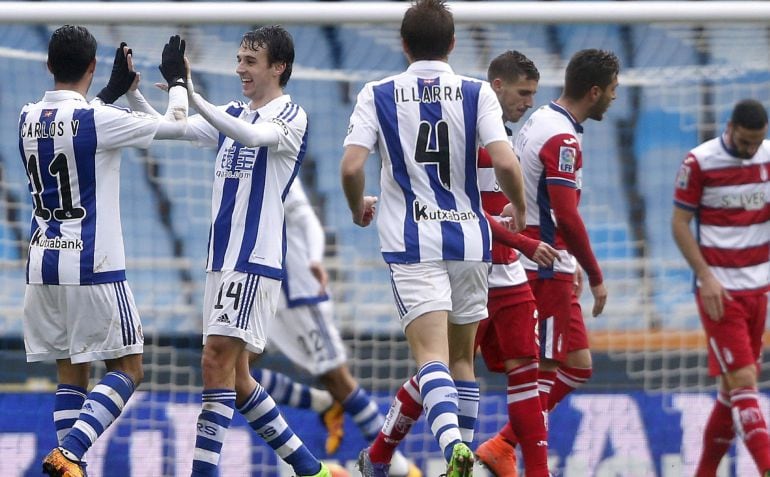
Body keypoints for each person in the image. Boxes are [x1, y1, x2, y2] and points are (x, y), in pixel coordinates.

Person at [127, 26, 330, 477]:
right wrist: (133, 95)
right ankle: (310, 468)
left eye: (250, 61)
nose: (240, 68)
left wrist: (192, 93)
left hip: (254, 259)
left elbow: (251, 137)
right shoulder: (235, 111)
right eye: (238, 59)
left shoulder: (290, 115)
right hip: (221, 260)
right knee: (237, 381)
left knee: (214, 358)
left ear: (278, 67)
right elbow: (171, 129)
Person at [340, 1, 527, 476]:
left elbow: (351, 167)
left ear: (403, 44)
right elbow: (506, 163)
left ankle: (452, 451)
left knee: (430, 357)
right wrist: (520, 207)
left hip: (412, 242)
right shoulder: (476, 91)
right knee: (463, 359)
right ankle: (459, 455)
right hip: (469, 240)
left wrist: (356, 207)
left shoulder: (377, 93)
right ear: (452, 44)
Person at [19, 25, 188, 477]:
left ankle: (71, 468)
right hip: (94, 265)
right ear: (92, 67)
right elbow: (174, 126)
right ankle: (71, 452)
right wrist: (176, 82)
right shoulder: (98, 120)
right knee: (130, 369)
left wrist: (108, 93)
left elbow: (75, 126)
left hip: (43, 266)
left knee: (71, 373)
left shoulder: (26, 115)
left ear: (48, 64)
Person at [250, 177, 421, 477]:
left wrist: (315, 259)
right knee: (230, 368)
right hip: (261, 287)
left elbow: (307, 220)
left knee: (338, 380)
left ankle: (399, 467)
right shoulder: (238, 158)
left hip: (300, 293)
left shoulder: (279, 167)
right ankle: (322, 403)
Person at [509, 47, 616, 439]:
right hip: (545, 259)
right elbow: (566, 215)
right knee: (546, 368)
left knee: (579, 364)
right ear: (594, 91)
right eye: (612, 89)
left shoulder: (543, 117)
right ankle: (527, 458)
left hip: (545, 255)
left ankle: (503, 444)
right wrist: (595, 273)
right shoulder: (563, 139)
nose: (615, 96)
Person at [671, 99, 770, 476]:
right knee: (745, 381)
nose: (749, 150)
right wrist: (706, 276)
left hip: (759, 289)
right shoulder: (699, 162)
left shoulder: (766, 157)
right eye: (745, 142)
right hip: (720, 292)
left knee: (732, 392)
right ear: (729, 127)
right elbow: (679, 224)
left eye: (756, 143)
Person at [472, 50, 554, 477]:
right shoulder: (467, 134)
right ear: (497, 86)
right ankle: (379, 453)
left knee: (527, 366)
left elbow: (496, 204)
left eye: (534, 94)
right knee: (445, 374)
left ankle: (536, 471)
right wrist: (522, 239)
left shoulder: (502, 136)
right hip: (466, 272)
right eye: (524, 92)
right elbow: (461, 210)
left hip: (506, 270)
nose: (529, 102)